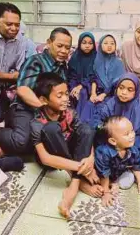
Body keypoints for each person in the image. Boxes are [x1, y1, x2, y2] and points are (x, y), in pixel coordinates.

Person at [29, 72, 99, 219]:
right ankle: (78, 184)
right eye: (59, 96)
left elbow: (86, 135)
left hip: (69, 154)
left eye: (66, 94)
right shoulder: (36, 122)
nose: (66, 99)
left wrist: (91, 159)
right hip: (52, 160)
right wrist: (83, 169)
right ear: (43, 100)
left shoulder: (69, 113)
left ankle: (74, 183)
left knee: (87, 129)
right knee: (52, 128)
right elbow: (45, 158)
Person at [0, 27, 72, 156]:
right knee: (20, 142)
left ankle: (7, 149)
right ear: (49, 43)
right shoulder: (35, 61)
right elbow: (23, 90)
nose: (63, 51)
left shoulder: (62, 66)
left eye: (67, 48)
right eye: (59, 46)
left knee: (49, 142)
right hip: (24, 109)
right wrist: (44, 108)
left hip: (48, 113)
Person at [95, 116, 140, 208]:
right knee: (95, 180)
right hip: (101, 175)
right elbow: (103, 173)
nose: (132, 135)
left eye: (132, 131)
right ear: (113, 141)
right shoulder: (104, 152)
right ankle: (109, 185)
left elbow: (136, 166)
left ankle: (114, 183)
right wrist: (106, 192)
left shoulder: (133, 149)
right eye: (127, 134)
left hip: (117, 173)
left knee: (128, 181)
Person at [0, 2, 35, 123]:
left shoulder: (23, 42)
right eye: (9, 24)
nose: (14, 28)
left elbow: (25, 73)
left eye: (17, 25)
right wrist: (11, 76)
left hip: (9, 94)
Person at [77, 34, 125, 124]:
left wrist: (104, 94)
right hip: (97, 92)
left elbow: (118, 83)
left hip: (112, 93)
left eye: (112, 43)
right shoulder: (95, 61)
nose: (109, 46)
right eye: (106, 43)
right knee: (89, 104)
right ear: (100, 45)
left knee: (103, 107)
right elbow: (93, 78)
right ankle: (84, 129)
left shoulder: (119, 63)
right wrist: (93, 94)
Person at [90, 72, 140, 148]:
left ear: (136, 92)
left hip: (131, 143)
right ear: (117, 88)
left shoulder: (139, 108)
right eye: (121, 87)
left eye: (130, 90)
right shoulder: (110, 103)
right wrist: (106, 129)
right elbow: (97, 121)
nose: (124, 92)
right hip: (111, 141)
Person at [68, 32, 97, 110]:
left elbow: (94, 76)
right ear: (79, 43)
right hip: (76, 84)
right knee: (72, 93)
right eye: (84, 43)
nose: (87, 46)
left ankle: (82, 120)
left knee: (83, 93)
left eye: (90, 43)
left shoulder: (96, 58)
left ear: (94, 45)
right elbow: (71, 76)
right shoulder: (75, 57)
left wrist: (81, 86)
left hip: (92, 85)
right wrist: (73, 87)